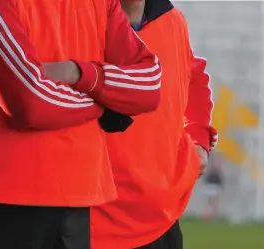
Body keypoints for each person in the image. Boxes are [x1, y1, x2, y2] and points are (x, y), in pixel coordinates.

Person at [0, 0, 163, 249]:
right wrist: (104, 100)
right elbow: (32, 102)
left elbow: (150, 85)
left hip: (60, 199)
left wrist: (78, 73)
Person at [91, 0, 218, 249]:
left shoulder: (170, 19)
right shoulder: (77, 20)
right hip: (92, 224)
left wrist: (197, 136)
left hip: (162, 221)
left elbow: (193, 76)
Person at [202, 152, 224, 221]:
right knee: (209, 204)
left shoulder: (218, 172)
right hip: (210, 188)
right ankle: (208, 216)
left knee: (214, 203)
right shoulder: (210, 171)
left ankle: (213, 215)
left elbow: (220, 182)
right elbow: (206, 180)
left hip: (216, 189)